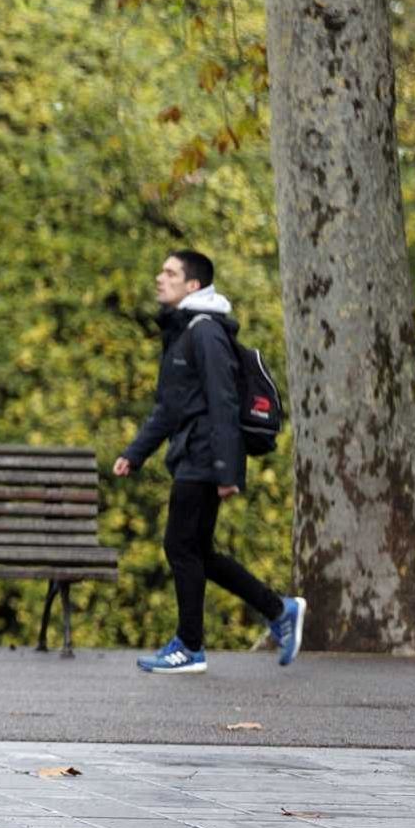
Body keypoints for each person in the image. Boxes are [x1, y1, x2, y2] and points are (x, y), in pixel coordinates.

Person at [114, 249, 306, 674]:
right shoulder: (183, 334)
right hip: (193, 452)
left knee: (180, 545)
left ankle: (190, 645)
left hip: (204, 456)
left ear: (193, 285)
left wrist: (227, 469)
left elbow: (224, 400)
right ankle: (279, 609)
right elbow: (168, 407)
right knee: (198, 550)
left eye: (169, 273)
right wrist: (135, 453)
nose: (159, 278)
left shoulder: (205, 332)